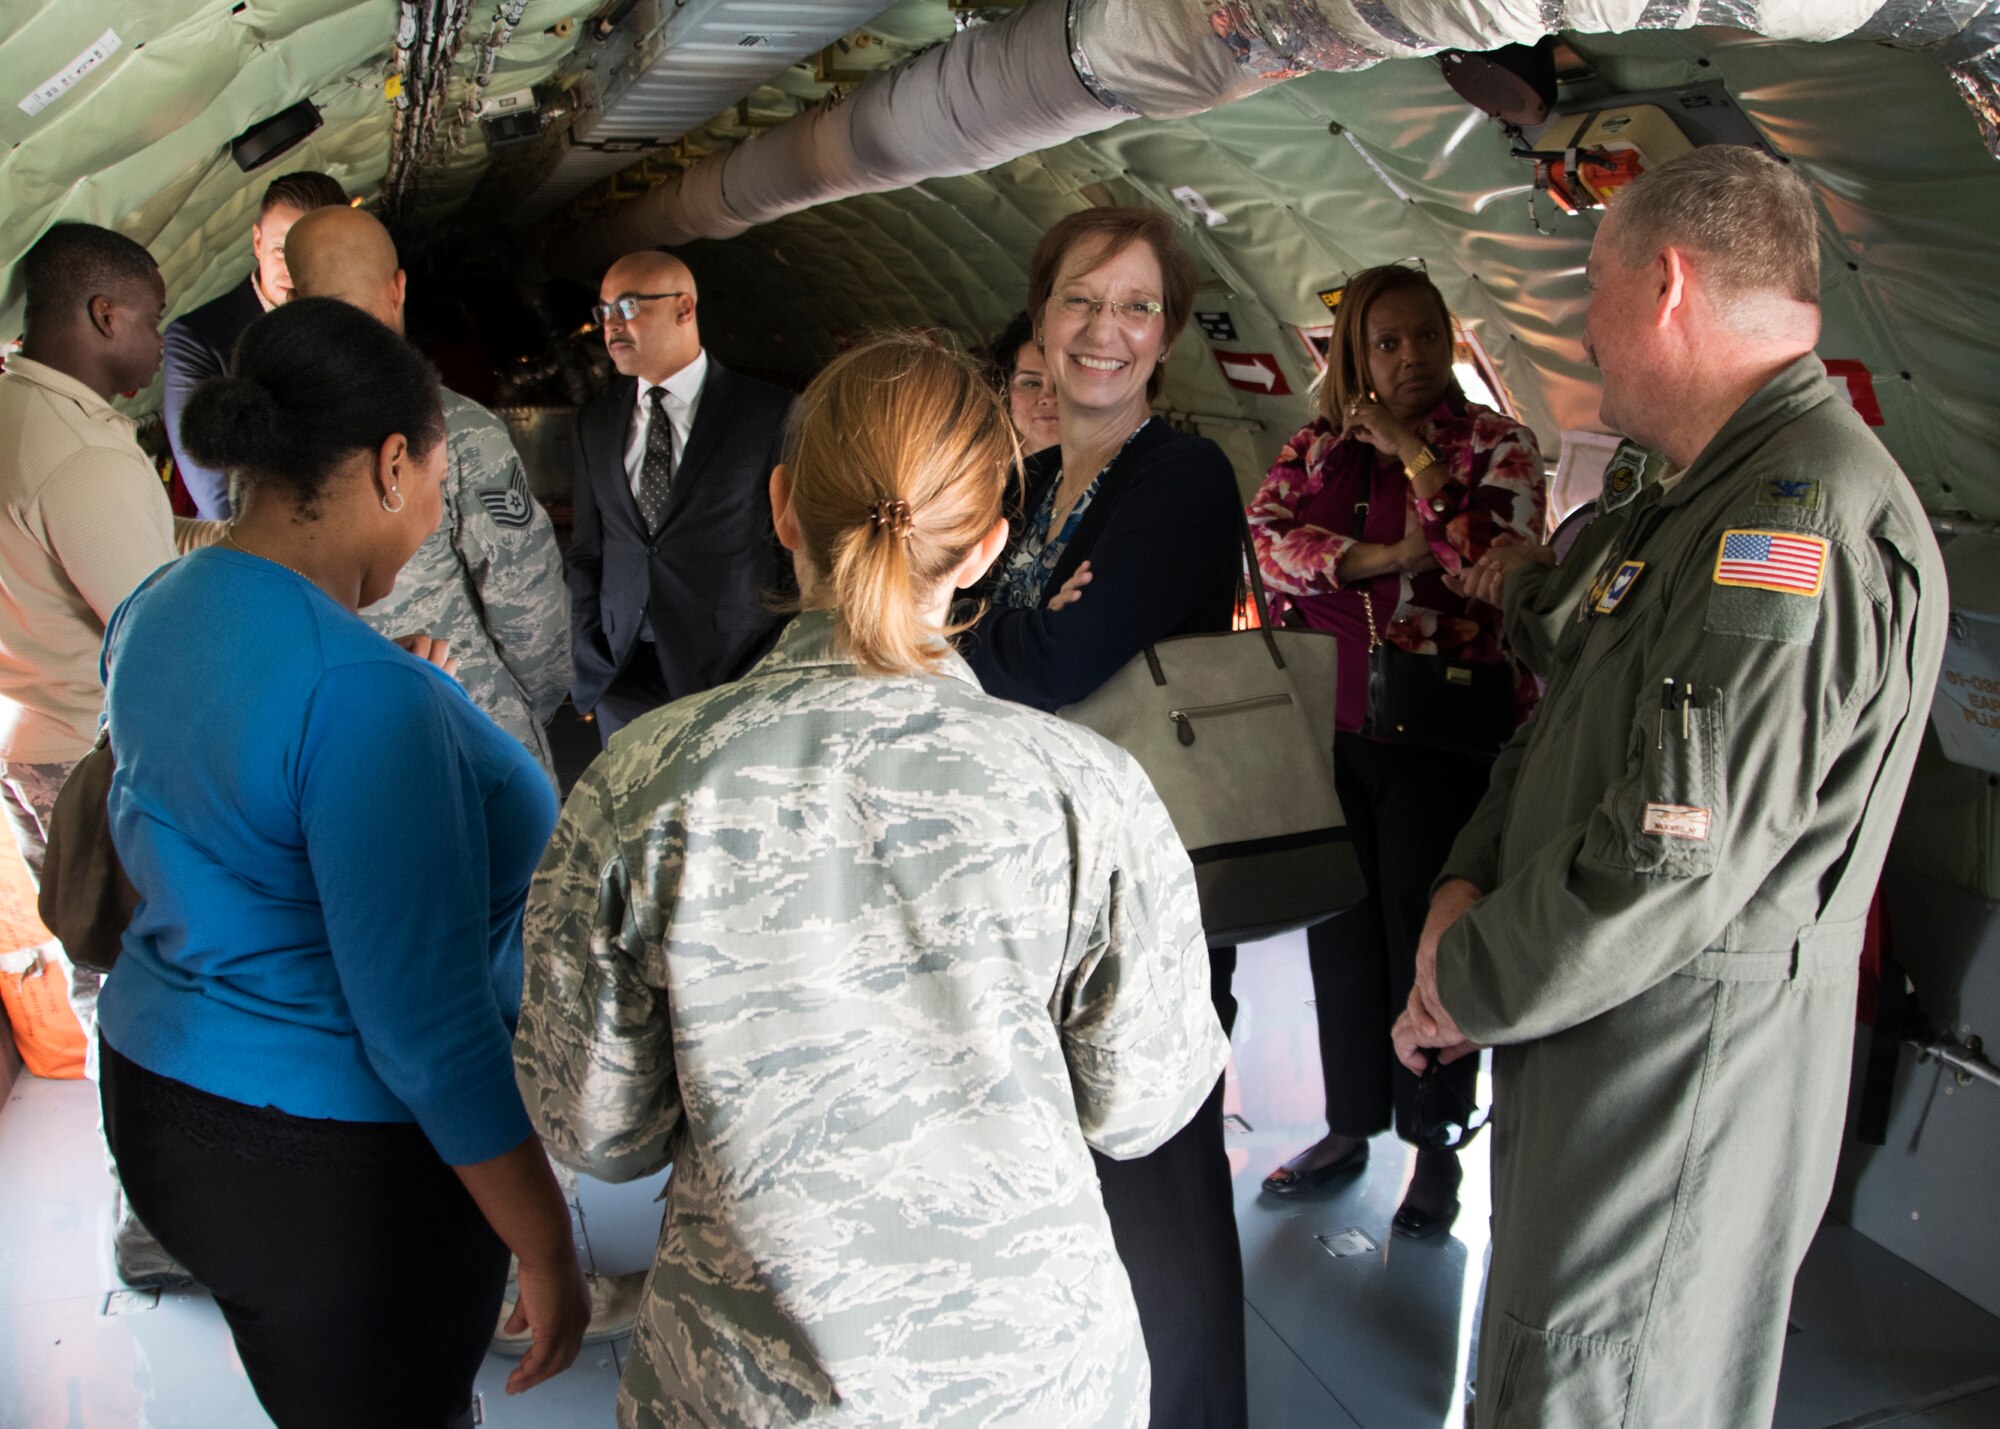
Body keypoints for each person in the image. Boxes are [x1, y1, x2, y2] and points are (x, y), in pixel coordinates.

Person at [515, 333, 1229, 1428]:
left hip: (747, 1391)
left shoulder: (643, 784)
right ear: (988, 543)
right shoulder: (1090, 792)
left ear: (781, 507)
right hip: (1035, 1385)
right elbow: (1141, 1105)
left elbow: (593, 1128)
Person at [1392, 146, 1946, 1427]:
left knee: (1598, 1386)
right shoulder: (1699, 500)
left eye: (1590, 284)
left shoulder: (1787, 530)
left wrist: (1457, 980)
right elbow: (1567, 713)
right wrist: (1465, 880)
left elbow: (1666, 854)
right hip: (1594, 1029)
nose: (1579, 325)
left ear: (1665, 284)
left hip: (1673, 1075)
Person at [96, 297, 590, 1429]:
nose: (428, 516)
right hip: (328, 1163)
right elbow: (424, 1026)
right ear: (389, 462)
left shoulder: (165, 603)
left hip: (163, 1098)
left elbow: (221, 781)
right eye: (431, 484)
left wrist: (402, 697)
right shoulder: (358, 696)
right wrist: (544, 1241)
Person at [961, 206, 1246, 1429]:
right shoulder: (1024, 482)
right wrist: (1009, 632)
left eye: (1135, 306)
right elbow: (998, 643)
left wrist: (988, 627)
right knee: (1054, 1189)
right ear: (1040, 313)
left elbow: (1038, 652)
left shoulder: (1178, 477)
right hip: (1028, 882)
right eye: (1081, 299)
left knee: (1157, 1187)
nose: (1103, 330)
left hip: (1144, 889)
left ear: (1166, 335)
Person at [1246, 263, 1544, 1237]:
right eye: (1386, 343)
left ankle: (1435, 1149)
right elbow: (1269, 541)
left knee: (1427, 947)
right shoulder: (1322, 448)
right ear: (1355, 358)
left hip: (1442, 737)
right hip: (1338, 727)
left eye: (1426, 337)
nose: (1410, 357)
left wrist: (1417, 461)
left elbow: (1478, 569)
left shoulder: (1494, 445)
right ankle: (1347, 1126)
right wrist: (1380, 558)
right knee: (1340, 942)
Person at [0, 221, 221, 1289]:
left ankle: (143, 1202)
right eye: (152, 312)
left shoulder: (14, 415)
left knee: (103, 981)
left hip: (35, 739)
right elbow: (155, 630)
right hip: (101, 759)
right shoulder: (81, 455)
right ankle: (158, 1219)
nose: (158, 335)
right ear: (103, 316)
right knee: (146, 989)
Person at [285, 205, 572, 782]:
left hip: (336, 743)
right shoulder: (457, 431)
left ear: (293, 303)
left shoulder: (268, 442)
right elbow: (528, 606)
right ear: (398, 289)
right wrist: (520, 713)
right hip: (470, 725)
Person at [566, 249, 794, 742]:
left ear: (684, 309)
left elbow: (794, 550)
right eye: (603, 312)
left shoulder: (767, 413)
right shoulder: (596, 422)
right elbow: (587, 551)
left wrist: (773, 662)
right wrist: (590, 651)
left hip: (732, 669)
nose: (611, 326)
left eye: (627, 307)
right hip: (622, 673)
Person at [161, 170, 348, 519]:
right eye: (281, 249)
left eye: (312, 251)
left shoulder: (350, 327)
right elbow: (216, 495)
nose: (294, 267)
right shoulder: (198, 338)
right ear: (257, 242)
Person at [988, 310, 1060, 456]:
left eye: (1063, 384)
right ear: (1004, 389)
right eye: (1031, 383)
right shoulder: (975, 474)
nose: (1049, 398)